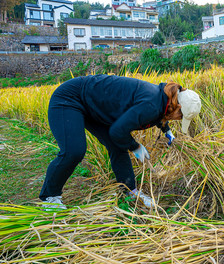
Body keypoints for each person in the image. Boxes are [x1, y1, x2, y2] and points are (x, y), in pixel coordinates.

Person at [39, 74, 201, 209]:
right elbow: (117, 131)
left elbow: (159, 114)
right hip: (70, 98)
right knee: (74, 150)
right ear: (177, 105)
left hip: (93, 106)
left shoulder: (163, 98)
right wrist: (136, 147)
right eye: (181, 116)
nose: (179, 119)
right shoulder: (151, 104)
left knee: (117, 146)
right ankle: (50, 197)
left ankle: (130, 191)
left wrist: (167, 131)